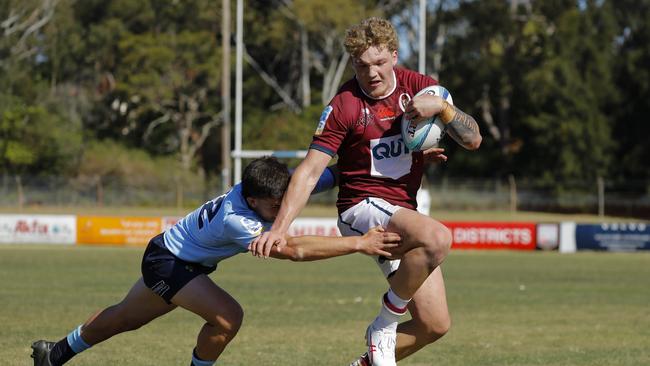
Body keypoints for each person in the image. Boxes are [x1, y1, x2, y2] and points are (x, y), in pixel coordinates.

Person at [252, 17, 482, 366]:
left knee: (434, 325)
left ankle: (363, 363)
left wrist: (444, 110)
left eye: (378, 62)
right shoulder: (344, 105)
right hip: (360, 208)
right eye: (362, 65)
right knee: (438, 238)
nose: (372, 73)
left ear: (394, 54)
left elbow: (474, 139)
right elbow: (310, 170)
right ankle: (384, 324)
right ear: (352, 63)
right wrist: (279, 228)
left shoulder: (418, 87)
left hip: (401, 210)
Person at [30, 156, 401, 366]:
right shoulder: (236, 219)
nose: (282, 210)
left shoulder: (271, 188)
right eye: (274, 207)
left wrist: (404, 159)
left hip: (172, 256)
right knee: (228, 317)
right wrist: (358, 244)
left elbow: (336, 173)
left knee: (125, 318)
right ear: (253, 201)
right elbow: (292, 250)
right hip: (169, 262)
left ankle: (55, 353)